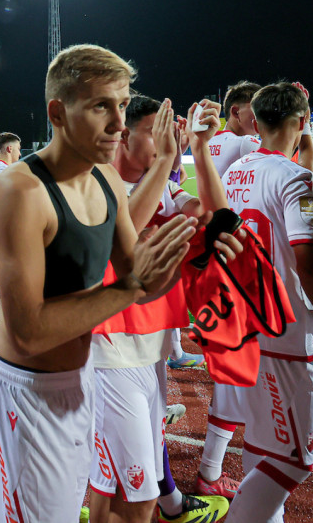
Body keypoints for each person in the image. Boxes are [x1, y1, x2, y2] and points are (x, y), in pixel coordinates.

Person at [0, 43, 243, 522]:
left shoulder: (103, 177)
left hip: (80, 378)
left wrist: (196, 256)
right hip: (26, 390)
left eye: (122, 105)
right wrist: (134, 285)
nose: (119, 123)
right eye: (102, 106)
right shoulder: (19, 189)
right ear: (57, 113)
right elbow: (28, 331)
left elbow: (135, 272)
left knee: (95, 504)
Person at [88, 95, 230, 523]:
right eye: (156, 131)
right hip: (109, 351)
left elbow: (215, 216)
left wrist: (199, 149)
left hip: (150, 349)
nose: (168, 138)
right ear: (124, 136)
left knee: (116, 484)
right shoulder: (96, 180)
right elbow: (122, 234)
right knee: (138, 496)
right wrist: (168, 159)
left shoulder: (163, 185)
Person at [223, 82, 313, 523]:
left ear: (256, 120)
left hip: (242, 323)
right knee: (294, 458)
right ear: (303, 122)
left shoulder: (234, 171)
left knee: (264, 441)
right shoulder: (295, 177)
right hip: (283, 330)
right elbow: (309, 264)